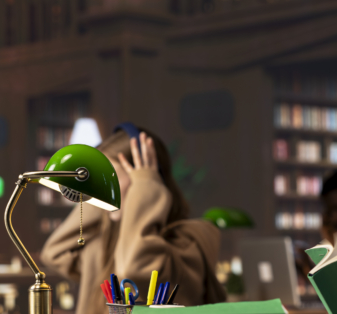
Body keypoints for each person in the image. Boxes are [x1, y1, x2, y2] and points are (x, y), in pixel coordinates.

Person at [40, 125, 226, 314]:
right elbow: (54, 253)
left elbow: (134, 269)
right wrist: (96, 196)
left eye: (109, 177)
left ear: (144, 183)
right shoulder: (103, 245)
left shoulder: (187, 243)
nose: (101, 187)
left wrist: (145, 186)